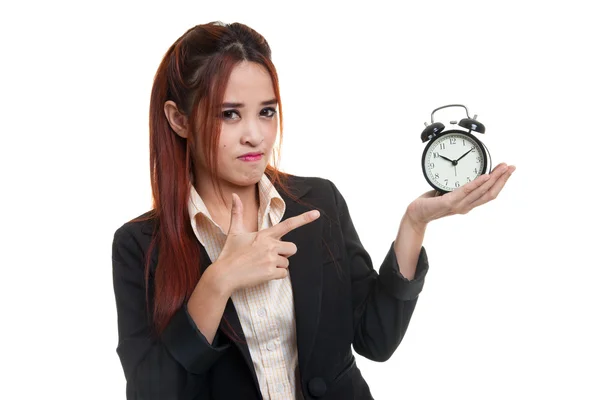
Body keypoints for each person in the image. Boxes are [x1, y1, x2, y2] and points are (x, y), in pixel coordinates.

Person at [111, 21, 516, 400]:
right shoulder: (140, 245)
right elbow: (152, 391)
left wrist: (414, 224)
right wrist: (218, 282)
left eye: (266, 112)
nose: (255, 135)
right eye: (229, 114)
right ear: (178, 119)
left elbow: (375, 339)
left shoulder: (317, 203)